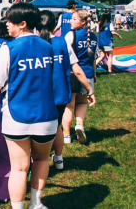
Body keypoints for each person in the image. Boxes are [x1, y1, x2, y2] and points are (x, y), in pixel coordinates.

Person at [0, 3, 57, 209]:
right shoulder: (48, 47)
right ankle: (36, 203)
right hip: (47, 117)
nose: (6, 24)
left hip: (17, 117)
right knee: (41, 161)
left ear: (22, 24)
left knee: (19, 169)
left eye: (9, 20)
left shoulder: (8, 49)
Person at [38, 10, 95, 171]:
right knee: (56, 128)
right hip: (60, 93)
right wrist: (89, 89)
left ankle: (34, 163)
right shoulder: (62, 43)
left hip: (39, 94)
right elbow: (76, 69)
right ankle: (59, 158)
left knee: (36, 129)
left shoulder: (34, 44)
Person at [62, 9, 97, 145]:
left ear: (83, 21)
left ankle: (66, 135)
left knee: (69, 106)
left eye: (74, 19)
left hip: (73, 74)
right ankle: (79, 124)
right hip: (88, 75)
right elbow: (93, 58)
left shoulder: (71, 35)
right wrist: (94, 74)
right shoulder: (93, 37)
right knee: (82, 103)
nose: (70, 21)